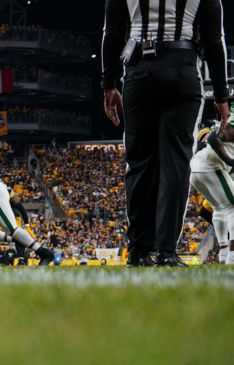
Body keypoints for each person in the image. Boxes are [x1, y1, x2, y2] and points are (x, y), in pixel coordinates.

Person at [102, 0, 229, 266]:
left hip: (138, 71)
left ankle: (138, 251)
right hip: (181, 69)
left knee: (139, 165)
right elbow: (214, 41)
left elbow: (112, 34)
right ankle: (165, 252)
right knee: (175, 164)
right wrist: (221, 95)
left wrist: (109, 84)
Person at [190, 117, 234, 264]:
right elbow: (212, 138)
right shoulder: (228, 126)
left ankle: (224, 253)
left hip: (198, 168)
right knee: (231, 208)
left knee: (220, 210)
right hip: (210, 167)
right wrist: (229, 160)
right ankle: (232, 256)